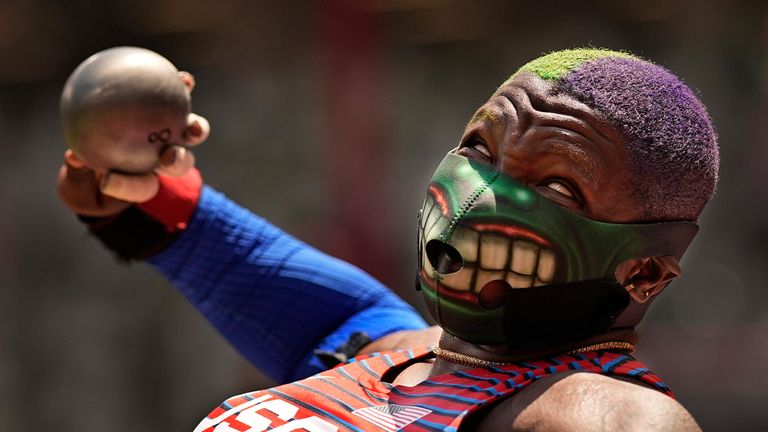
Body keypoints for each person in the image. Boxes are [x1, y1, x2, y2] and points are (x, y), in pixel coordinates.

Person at [58, 48, 717, 431]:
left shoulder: (603, 416)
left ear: (646, 274)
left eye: (559, 188)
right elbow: (278, 281)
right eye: (480, 148)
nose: (482, 194)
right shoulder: (389, 352)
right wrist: (141, 185)